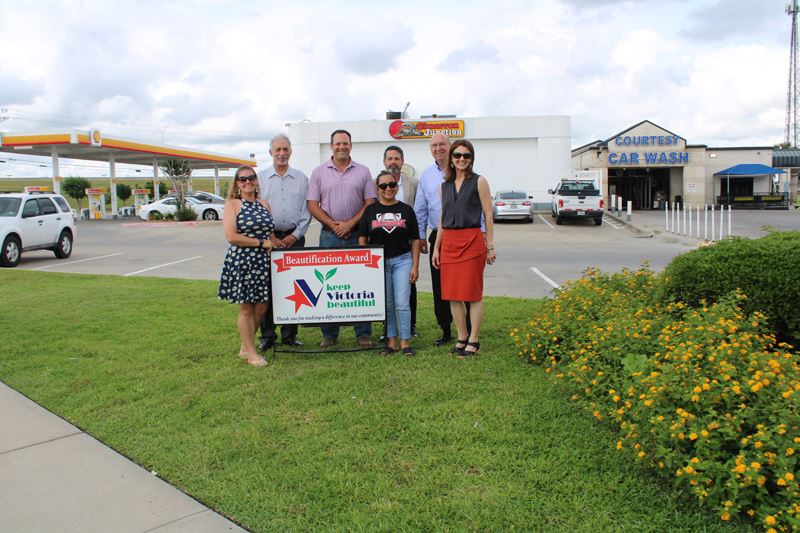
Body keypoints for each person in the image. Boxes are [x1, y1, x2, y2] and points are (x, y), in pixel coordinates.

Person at [307, 129, 376, 348]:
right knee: (328, 284)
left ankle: (363, 332)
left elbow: (370, 203)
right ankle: (329, 333)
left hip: (358, 234)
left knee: (360, 282)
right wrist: (333, 225)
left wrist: (350, 224)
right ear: (331, 146)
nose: (341, 147)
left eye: (345, 143)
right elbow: (312, 204)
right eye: (338, 144)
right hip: (329, 235)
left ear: (351, 145)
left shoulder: (363, 171)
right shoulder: (318, 172)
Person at [432, 140, 496, 357]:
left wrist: (490, 245)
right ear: (451, 158)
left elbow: (488, 215)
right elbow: (442, 219)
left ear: (471, 159)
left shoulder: (480, 181)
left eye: (466, 156)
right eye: (457, 155)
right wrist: (436, 248)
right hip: (449, 241)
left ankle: (474, 340)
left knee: (473, 294)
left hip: (471, 240)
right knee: (452, 295)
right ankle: (461, 337)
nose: (461, 159)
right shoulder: (444, 186)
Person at [256, 133, 311, 351]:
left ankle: (290, 335)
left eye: (285, 149)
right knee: (267, 288)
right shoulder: (259, 178)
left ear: (291, 152)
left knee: (293, 287)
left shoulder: (301, 178)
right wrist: (269, 237)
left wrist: (294, 235)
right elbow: (256, 210)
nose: (281, 154)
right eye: (277, 150)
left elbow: (307, 211)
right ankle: (267, 336)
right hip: (268, 241)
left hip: (294, 239)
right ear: (270, 153)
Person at [413, 133, 468, 346]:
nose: (438, 148)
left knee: (463, 284)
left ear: (450, 146)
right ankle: (446, 329)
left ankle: (469, 329)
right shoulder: (426, 176)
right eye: (434, 145)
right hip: (438, 235)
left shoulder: (464, 171)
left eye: (442, 144)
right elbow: (420, 208)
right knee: (441, 285)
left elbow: (479, 208)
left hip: (463, 233)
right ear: (430, 149)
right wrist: (420, 237)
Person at [217, 165, 274, 367]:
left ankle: (245, 344)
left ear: (257, 181)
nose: (247, 182)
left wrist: (273, 243)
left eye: (251, 178)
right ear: (237, 183)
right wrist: (261, 243)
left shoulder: (265, 204)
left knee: (261, 307)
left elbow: (269, 231)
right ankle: (251, 353)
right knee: (247, 308)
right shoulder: (233, 205)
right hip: (243, 261)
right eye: (242, 179)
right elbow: (231, 236)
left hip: (263, 263)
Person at [359, 171, 421, 355]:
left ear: (397, 187)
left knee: (402, 302)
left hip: (402, 260)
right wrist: (368, 260)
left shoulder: (406, 210)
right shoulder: (370, 210)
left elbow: (415, 239)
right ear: (377, 189)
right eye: (383, 186)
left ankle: (405, 342)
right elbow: (363, 238)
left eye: (392, 185)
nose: (388, 189)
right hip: (379, 263)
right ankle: (391, 341)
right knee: (388, 304)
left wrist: (415, 266)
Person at [382, 145, 419, 337]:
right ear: (384, 162)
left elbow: (419, 211)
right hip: (383, 246)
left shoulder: (413, 183)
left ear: (402, 161)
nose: (393, 162)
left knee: (408, 288)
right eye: (390, 159)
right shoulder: (376, 183)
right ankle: (387, 330)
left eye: (397, 158)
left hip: (405, 247)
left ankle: (409, 326)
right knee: (386, 293)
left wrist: (419, 238)